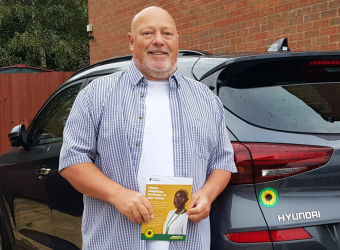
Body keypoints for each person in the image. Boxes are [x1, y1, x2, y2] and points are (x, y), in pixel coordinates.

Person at [59, 6, 237, 250]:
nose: (158, 41)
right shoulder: (96, 95)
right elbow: (73, 161)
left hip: (188, 242)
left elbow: (222, 161)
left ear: (177, 40)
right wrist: (117, 195)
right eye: (147, 33)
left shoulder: (204, 99)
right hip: (116, 241)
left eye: (167, 33)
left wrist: (207, 194)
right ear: (131, 42)